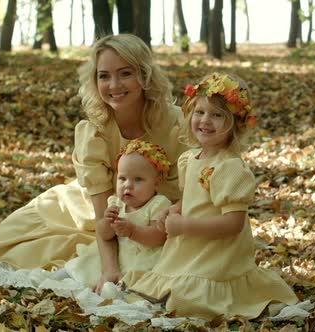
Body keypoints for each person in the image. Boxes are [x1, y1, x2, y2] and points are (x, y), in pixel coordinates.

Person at [0, 34, 188, 292]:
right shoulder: (94, 131)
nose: (114, 85)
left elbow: (203, 182)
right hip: (89, 207)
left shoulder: (177, 124)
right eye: (104, 76)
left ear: (145, 75)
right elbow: (103, 214)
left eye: (125, 73)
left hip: (155, 218)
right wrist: (109, 269)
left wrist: (175, 210)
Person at [123, 73, 298, 319]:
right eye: (200, 112)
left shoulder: (230, 167)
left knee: (189, 298)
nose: (206, 120)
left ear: (235, 124)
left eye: (217, 115)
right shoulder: (189, 159)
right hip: (190, 247)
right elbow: (195, 198)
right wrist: (174, 209)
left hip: (217, 254)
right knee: (162, 286)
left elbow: (233, 224)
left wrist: (184, 226)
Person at [60, 139, 171, 289]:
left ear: (156, 183)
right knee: (86, 265)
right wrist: (107, 222)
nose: (128, 185)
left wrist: (133, 231)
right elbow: (104, 234)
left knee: (136, 284)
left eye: (138, 180)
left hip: (143, 258)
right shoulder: (116, 203)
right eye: (122, 178)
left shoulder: (158, 204)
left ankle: (114, 293)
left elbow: (158, 237)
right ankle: (64, 277)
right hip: (118, 256)